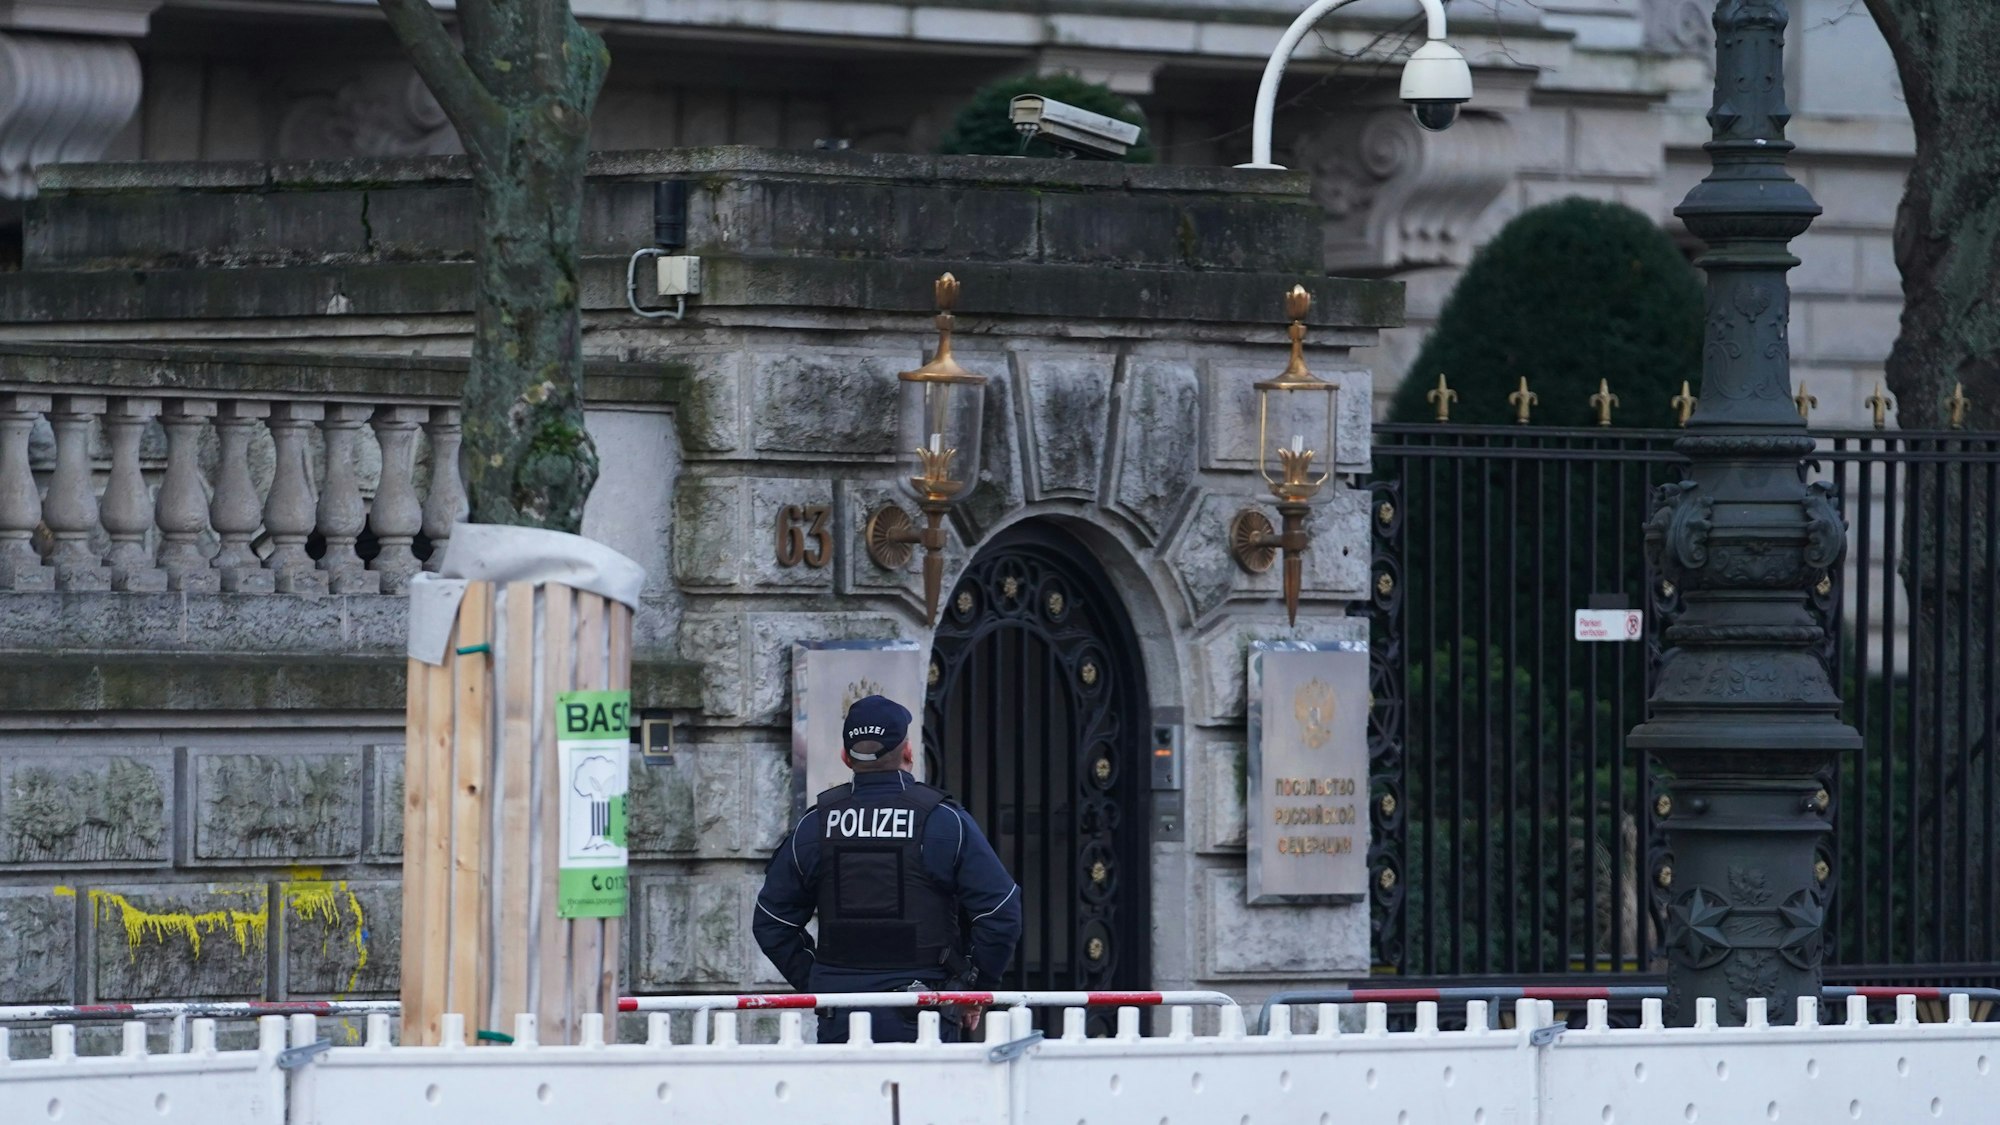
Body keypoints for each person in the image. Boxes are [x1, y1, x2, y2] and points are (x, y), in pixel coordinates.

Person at [754, 694, 1022, 1043]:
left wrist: (821, 982)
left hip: (842, 1020)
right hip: (924, 1016)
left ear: (845, 757)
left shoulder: (815, 826)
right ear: (908, 753)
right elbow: (1000, 912)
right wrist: (974, 989)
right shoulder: (942, 822)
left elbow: (773, 922)